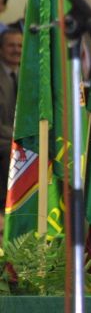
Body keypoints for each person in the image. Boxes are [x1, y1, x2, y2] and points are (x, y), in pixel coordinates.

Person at [0, 28, 22, 206]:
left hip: (20, 137)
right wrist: (18, 136)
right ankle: (9, 205)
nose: (16, 50)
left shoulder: (28, 75)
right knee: (14, 153)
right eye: (11, 45)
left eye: (20, 46)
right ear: (1, 49)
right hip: (4, 140)